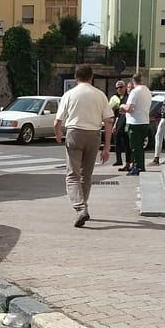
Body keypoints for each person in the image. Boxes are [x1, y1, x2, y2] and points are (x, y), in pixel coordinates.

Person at [54, 64, 114, 228]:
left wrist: (58, 133)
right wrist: (106, 147)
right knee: (86, 175)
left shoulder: (69, 94)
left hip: (74, 133)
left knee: (72, 175)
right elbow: (109, 121)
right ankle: (83, 205)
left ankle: (80, 208)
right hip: (94, 135)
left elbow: (58, 120)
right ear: (91, 77)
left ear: (75, 77)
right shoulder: (100, 95)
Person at [120, 73, 152, 176]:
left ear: (133, 81)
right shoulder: (147, 90)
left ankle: (137, 167)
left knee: (134, 147)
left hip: (135, 122)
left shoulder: (135, 92)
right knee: (140, 146)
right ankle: (140, 165)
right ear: (142, 80)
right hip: (145, 121)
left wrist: (122, 106)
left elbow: (130, 108)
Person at [108, 80, 131, 168]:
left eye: (121, 87)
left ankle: (128, 161)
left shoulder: (128, 97)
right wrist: (115, 125)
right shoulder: (117, 97)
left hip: (126, 121)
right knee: (117, 138)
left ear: (125, 87)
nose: (119, 89)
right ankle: (119, 160)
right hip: (120, 120)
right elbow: (118, 113)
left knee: (126, 141)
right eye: (117, 88)